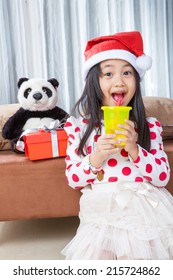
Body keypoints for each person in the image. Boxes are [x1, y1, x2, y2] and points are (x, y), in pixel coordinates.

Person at [61, 31, 173, 260]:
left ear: (137, 81)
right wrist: (96, 157)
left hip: (146, 213)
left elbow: (162, 177)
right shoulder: (80, 127)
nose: (119, 81)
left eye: (127, 72)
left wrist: (135, 149)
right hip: (103, 213)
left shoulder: (149, 126)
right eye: (108, 73)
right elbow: (73, 179)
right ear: (94, 82)